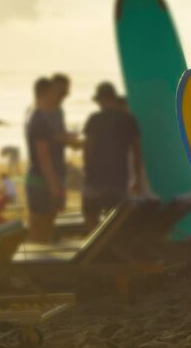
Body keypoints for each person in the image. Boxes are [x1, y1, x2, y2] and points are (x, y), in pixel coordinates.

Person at [82, 83, 144, 231]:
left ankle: (94, 240)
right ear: (114, 99)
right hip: (119, 178)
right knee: (116, 219)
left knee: (90, 213)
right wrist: (137, 177)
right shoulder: (128, 119)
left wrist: (86, 170)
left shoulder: (94, 119)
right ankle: (110, 245)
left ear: (100, 100)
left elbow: (88, 148)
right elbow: (136, 151)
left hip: (96, 177)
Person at [25, 78, 68, 243]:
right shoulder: (38, 119)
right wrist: (53, 183)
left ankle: (40, 257)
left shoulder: (36, 114)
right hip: (42, 178)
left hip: (42, 176)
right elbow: (43, 155)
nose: (55, 95)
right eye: (53, 91)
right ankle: (36, 263)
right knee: (40, 226)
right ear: (44, 93)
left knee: (46, 225)